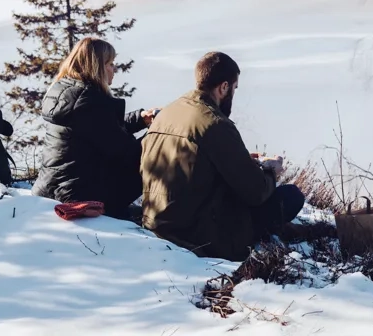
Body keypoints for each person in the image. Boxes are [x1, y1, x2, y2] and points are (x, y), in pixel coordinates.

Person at [140, 51, 306, 261]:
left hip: (156, 220)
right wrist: (269, 170)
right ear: (223, 87)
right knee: (291, 196)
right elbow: (255, 192)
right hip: (198, 233)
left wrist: (243, 160)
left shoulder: (167, 113)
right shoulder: (214, 124)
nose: (233, 95)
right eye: (234, 88)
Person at [31, 37, 158, 221]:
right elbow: (124, 150)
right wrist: (159, 133)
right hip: (77, 195)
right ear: (97, 67)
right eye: (110, 64)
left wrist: (140, 119)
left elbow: (103, 129)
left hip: (51, 188)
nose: (114, 69)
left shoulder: (67, 90)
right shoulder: (89, 101)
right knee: (152, 153)